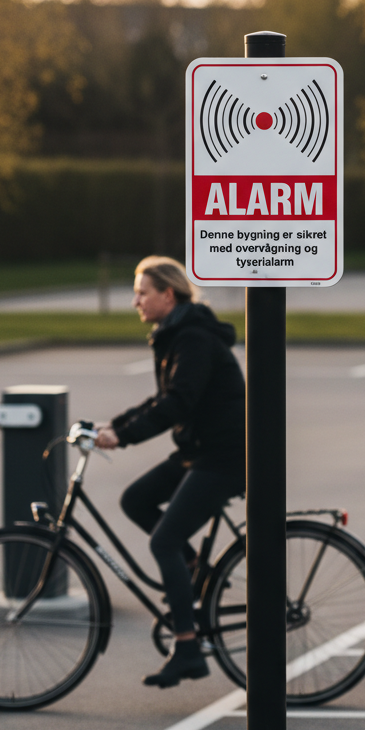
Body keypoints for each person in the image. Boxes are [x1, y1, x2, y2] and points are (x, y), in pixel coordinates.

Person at [95, 256, 245, 688]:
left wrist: (123, 438)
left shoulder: (193, 337)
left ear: (168, 295)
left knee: (165, 540)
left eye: (142, 292)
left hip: (227, 455)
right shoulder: (177, 334)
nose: (135, 301)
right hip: (200, 450)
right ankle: (198, 572)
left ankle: (187, 648)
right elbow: (163, 399)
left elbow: (179, 402)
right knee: (136, 500)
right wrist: (115, 426)